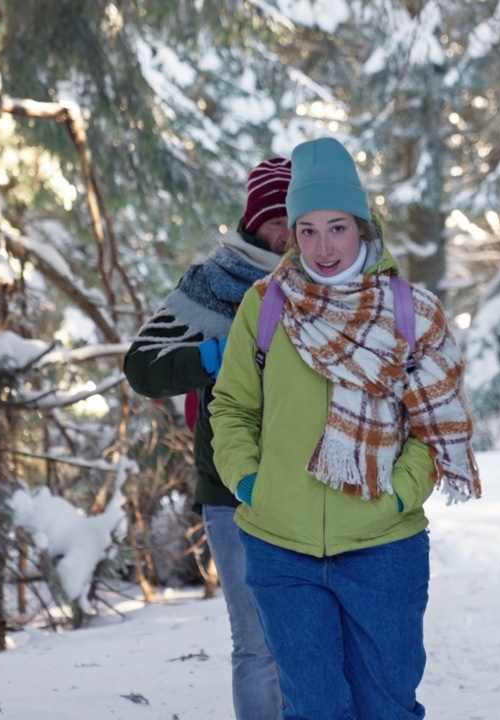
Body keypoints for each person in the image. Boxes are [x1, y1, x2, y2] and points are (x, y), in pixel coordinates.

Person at [209, 137, 481, 720]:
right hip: (281, 548)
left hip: (383, 549)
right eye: (306, 230)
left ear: (363, 224)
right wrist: (251, 481)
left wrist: (399, 493)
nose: (323, 246)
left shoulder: (412, 310)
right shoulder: (266, 305)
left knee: (387, 707)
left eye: (337, 227)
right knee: (314, 710)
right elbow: (231, 406)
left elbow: (436, 424)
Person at [123, 157, 291, 720]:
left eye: (297, 216)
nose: (287, 232)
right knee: (258, 647)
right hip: (229, 489)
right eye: (276, 219)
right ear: (253, 220)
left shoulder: (324, 278)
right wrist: (213, 355)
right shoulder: (215, 282)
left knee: (305, 644)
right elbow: (142, 366)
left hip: (309, 490)